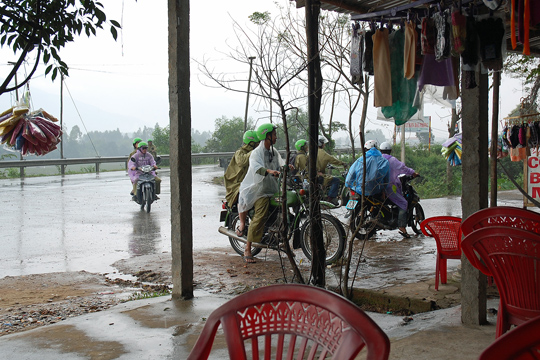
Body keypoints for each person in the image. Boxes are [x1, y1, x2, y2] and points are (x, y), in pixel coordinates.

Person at [236, 123, 285, 263]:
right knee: (261, 215)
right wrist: (269, 171)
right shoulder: (256, 153)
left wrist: (287, 166)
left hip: (272, 188)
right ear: (267, 135)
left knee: (282, 211)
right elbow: (256, 167)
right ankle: (247, 248)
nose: (276, 137)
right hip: (259, 190)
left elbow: (280, 162)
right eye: (274, 134)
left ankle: (280, 241)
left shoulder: (273, 152)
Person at [379, 141, 419, 238]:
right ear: (390, 150)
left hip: (377, 187)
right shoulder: (392, 160)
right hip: (389, 187)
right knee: (403, 203)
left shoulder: (378, 159)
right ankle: (402, 227)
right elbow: (403, 168)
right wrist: (413, 173)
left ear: (380, 150)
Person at [224, 130, 259, 206]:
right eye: (257, 143)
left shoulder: (256, 154)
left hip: (250, 184)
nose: (259, 145)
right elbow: (242, 162)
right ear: (251, 143)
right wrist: (254, 151)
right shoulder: (239, 152)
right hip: (237, 186)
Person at [316, 136, 347, 205]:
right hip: (318, 176)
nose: (324, 145)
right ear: (320, 144)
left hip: (313, 175)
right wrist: (342, 163)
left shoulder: (311, 152)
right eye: (323, 143)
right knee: (336, 180)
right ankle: (331, 198)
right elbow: (332, 160)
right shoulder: (322, 152)